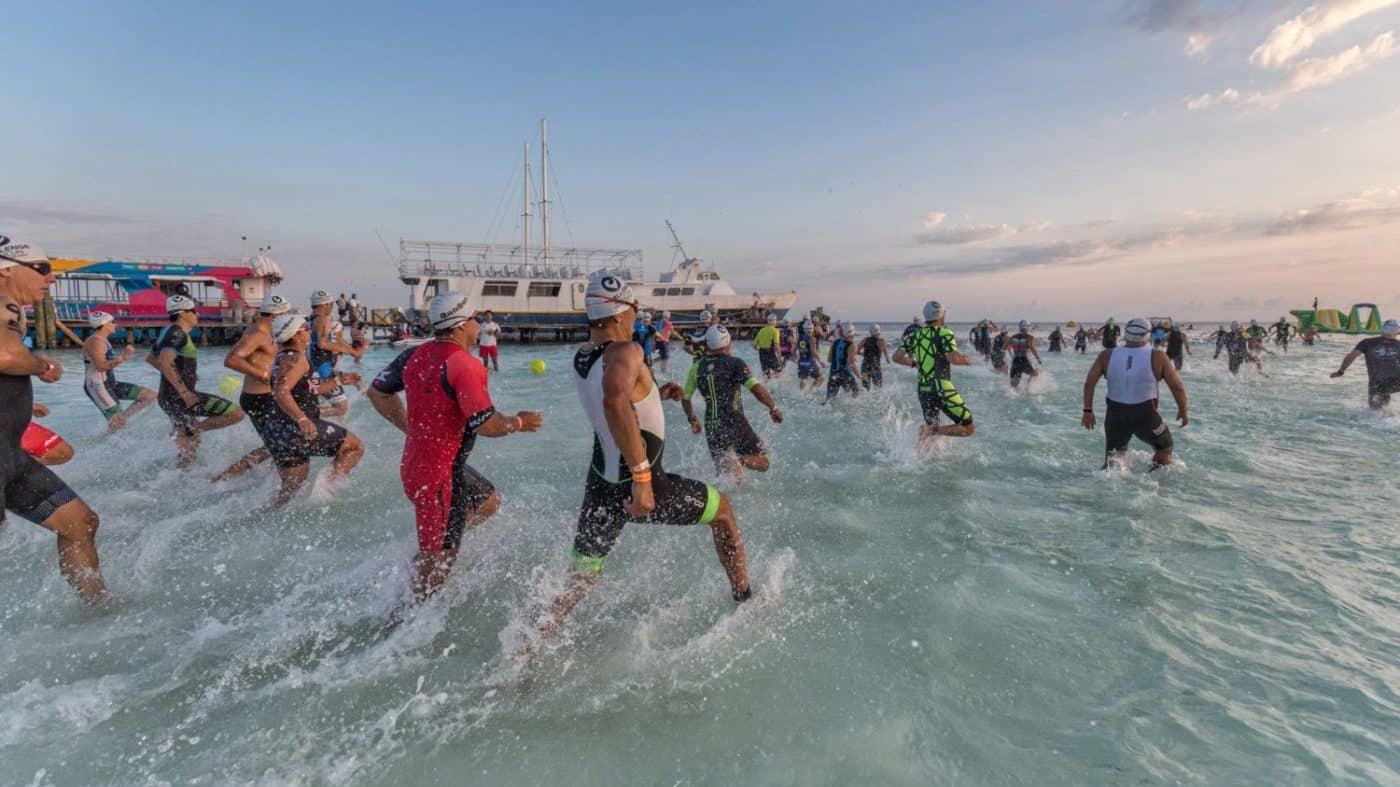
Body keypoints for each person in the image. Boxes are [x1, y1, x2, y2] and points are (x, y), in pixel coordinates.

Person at [527, 273, 751, 655]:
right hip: (640, 483)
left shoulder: (585, 355)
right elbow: (615, 402)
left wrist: (653, 395)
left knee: (580, 580)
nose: (636, 317)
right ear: (620, 312)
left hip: (600, 483)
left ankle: (526, 647)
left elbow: (614, 402)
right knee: (725, 512)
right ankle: (745, 601)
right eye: (634, 310)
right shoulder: (625, 351)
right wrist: (643, 478)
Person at [367, 292, 541, 601]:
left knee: (488, 502)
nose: (478, 326)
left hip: (422, 465)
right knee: (439, 566)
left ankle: (438, 542)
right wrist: (518, 422)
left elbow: (377, 393)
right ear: (461, 325)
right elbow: (486, 424)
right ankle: (406, 618)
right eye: (475, 319)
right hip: (439, 479)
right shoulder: (465, 365)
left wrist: (411, 430)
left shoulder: (412, 356)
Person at [0, 237, 105, 600]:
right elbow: (5, 355)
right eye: (42, 269)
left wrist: (27, 403)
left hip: (10, 455)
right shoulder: (4, 303)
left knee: (80, 522)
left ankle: (96, 611)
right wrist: (44, 366)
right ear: (7, 269)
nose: (51, 278)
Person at [254, 313, 365, 506]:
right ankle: (329, 490)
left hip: (277, 430)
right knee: (355, 447)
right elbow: (281, 391)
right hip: (296, 429)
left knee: (290, 492)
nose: (309, 331)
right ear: (295, 335)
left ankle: (269, 518)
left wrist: (340, 380)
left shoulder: (282, 358)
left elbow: (310, 389)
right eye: (305, 328)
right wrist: (302, 419)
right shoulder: (297, 360)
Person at [146, 294, 244, 467]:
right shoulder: (177, 333)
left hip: (169, 397)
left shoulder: (168, 331)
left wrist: (183, 374)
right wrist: (183, 390)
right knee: (236, 413)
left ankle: (177, 480)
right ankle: (192, 431)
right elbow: (163, 361)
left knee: (189, 449)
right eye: (194, 311)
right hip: (180, 398)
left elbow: (151, 359)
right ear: (183, 313)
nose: (197, 315)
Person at [1081, 317, 1188, 470]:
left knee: (1114, 458)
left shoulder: (1106, 355)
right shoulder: (1158, 356)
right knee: (1165, 447)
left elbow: (1089, 383)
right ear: (1147, 334)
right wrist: (1183, 410)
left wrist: (1087, 411)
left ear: (1126, 333)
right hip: (1146, 415)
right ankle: (1153, 483)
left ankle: (1107, 489)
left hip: (1114, 416)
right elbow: (1177, 387)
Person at [681, 324, 782, 479]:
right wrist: (773, 408)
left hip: (712, 426)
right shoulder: (736, 363)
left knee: (724, 475)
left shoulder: (697, 367)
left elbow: (685, 397)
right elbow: (755, 388)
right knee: (764, 461)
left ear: (707, 345)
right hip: (734, 421)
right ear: (728, 343)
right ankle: (740, 460)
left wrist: (692, 419)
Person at [211, 294, 292, 482]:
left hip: (266, 396)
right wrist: (265, 376)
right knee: (277, 443)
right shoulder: (258, 334)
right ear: (276, 314)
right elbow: (231, 360)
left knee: (279, 443)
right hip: (259, 398)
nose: (288, 317)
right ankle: (223, 478)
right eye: (286, 313)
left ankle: (273, 477)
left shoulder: (269, 331)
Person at [893, 300, 975, 446]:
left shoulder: (914, 335)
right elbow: (953, 358)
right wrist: (965, 360)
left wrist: (914, 364)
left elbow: (896, 357)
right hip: (941, 387)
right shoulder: (945, 332)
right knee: (968, 427)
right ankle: (931, 431)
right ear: (941, 316)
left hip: (923, 389)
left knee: (932, 434)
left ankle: (920, 458)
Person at [82, 311, 155, 431]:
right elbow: (101, 366)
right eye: (112, 322)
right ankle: (104, 446)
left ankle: (121, 418)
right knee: (118, 425)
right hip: (97, 387)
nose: (115, 324)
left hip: (110, 384)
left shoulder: (102, 340)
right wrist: (123, 357)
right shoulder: (96, 342)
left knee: (149, 396)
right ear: (104, 324)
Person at [308, 291, 364, 419]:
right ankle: (306, 417)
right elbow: (322, 344)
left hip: (314, 368)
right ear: (326, 304)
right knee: (341, 408)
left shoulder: (310, 320)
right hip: (324, 370)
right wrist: (351, 352)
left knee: (318, 400)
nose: (331, 307)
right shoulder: (322, 319)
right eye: (331, 304)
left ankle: (314, 426)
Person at [1330, 319, 1400, 410]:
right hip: (1397, 381)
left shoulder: (1367, 342)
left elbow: (1351, 356)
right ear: (1397, 331)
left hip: (1376, 382)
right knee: (1386, 394)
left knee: (1375, 411)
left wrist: (1340, 371)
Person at [1008, 320, 1041, 390]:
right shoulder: (1030, 337)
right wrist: (1038, 358)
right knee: (1035, 374)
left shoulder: (1013, 337)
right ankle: (1027, 388)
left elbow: (1005, 347)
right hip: (1024, 360)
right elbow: (1032, 348)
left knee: (1013, 385)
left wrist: (1012, 352)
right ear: (1027, 327)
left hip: (1015, 360)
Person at [796, 317, 825, 391]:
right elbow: (813, 351)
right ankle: (811, 391)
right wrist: (820, 361)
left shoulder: (799, 338)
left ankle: (801, 394)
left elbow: (793, 351)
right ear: (812, 329)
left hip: (801, 363)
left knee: (803, 380)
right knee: (821, 378)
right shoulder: (812, 338)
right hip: (810, 363)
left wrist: (796, 359)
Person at [860, 323, 891, 389]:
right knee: (878, 390)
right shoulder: (882, 340)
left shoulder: (865, 340)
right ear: (879, 330)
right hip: (875, 367)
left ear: (871, 332)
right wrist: (888, 360)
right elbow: (887, 358)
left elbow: (856, 351)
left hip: (864, 367)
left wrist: (863, 354)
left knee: (866, 390)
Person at [753, 314, 783, 379]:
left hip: (761, 353)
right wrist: (780, 357)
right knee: (779, 373)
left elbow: (754, 345)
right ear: (774, 321)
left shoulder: (761, 330)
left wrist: (759, 349)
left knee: (766, 375)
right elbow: (776, 345)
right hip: (770, 353)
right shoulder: (775, 331)